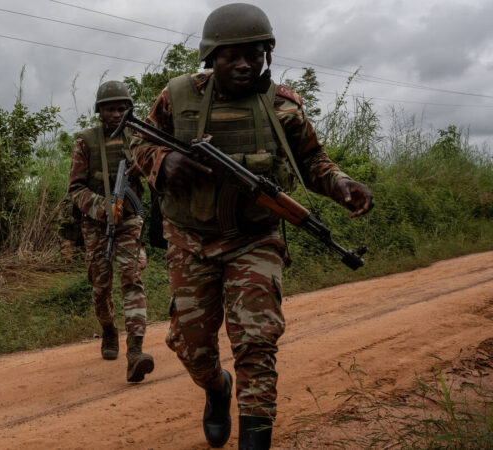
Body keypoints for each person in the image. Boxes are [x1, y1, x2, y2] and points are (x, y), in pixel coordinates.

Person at [130, 4, 374, 448]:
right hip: (190, 240)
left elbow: (313, 162)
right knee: (191, 347)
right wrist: (164, 162)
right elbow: (138, 141)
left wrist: (341, 184)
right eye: (231, 56)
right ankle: (217, 388)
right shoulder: (178, 95)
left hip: (255, 239)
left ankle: (255, 439)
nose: (244, 64)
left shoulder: (282, 106)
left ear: (267, 54)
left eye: (255, 54)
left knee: (257, 343)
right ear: (211, 57)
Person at [68, 80, 153, 383]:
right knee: (101, 286)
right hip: (95, 224)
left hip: (130, 220)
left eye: (121, 108)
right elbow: (75, 189)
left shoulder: (139, 138)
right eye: (109, 108)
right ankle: (108, 330)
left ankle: (135, 351)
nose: (116, 114)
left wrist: (142, 168)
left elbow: (158, 170)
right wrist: (102, 206)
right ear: (99, 111)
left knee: (132, 277)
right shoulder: (85, 141)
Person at [57, 195, 83, 259]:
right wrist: (72, 220)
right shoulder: (66, 203)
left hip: (80, 236)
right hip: (68, 237)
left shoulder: (83, 200)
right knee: (66, 259)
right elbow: (60, 220)